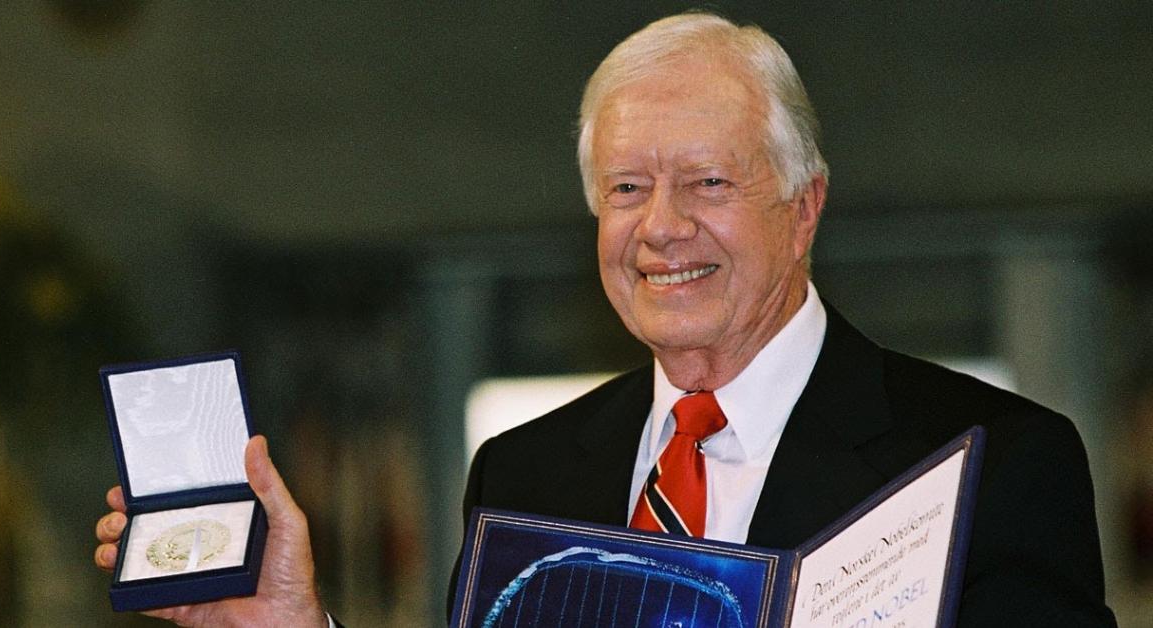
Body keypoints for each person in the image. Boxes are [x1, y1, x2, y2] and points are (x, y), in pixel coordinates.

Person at [95, 12, 1116, 626]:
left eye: (707, 181)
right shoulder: (523, 474)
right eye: (627, 187)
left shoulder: (988, 462)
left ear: (804, 207)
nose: (661, 230)